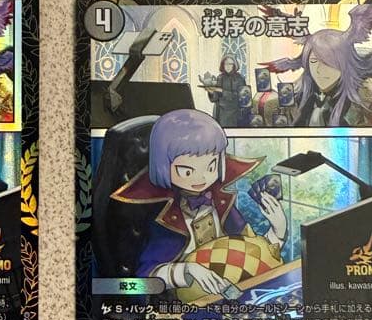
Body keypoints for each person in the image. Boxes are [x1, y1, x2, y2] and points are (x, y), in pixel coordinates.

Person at [112, 109, 286, 296]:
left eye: (211, 167)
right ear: (163, 166)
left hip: (231, 296)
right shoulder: (162, 216)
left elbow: (252, 254)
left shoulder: (221, 202)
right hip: (185, 303)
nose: (202, 178)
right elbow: (142, 282)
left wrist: (278, 231)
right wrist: (187, 270)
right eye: (187, 171)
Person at [262, 0, 372, 127]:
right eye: (313, 61)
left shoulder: (364, 96)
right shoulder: (306, 89)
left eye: (327, 63)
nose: (319, 70)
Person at [200, 54, 246, 127]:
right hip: (220, 113)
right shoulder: (220, 77)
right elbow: (215, 99)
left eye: (230, 64)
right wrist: (211, 92)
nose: (228, 66)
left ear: (234, 65)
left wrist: (222, 91)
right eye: (226, 64)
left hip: (233, 113)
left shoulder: (239, 78)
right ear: (223, 65)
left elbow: (241, 97)